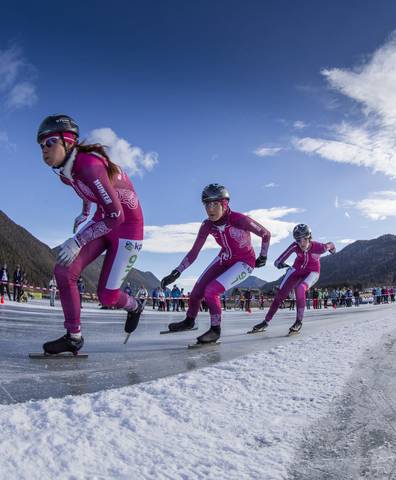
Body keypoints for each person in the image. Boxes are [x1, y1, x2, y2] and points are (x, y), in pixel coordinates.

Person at [37, 114, 144, 355]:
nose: (44, 150)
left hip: (127, 227)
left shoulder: (89, 165)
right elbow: (87, 192)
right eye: (41, 145)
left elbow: (117, 215)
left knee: (107, 297)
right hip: (104, 219)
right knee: (63, 270)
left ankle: (135, 306)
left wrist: (78, 240)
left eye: (50, 142)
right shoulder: (67, 173)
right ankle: (73, 336)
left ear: (68, 141)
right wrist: (84, 213)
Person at [161, 183, 270, 344]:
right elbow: (194, 252)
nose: (210, 209)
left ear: (225, 204)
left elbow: (266, 234)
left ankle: (215, 330)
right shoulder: (207, 225)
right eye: (206, 204)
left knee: (211, 291)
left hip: (244, 262)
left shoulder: (239, 219)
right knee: (197, 290)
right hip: (224, 258)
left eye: (215, 204)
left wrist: (263, 256)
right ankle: (189, 321)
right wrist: (176, 272)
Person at [250, 224, 335, 334]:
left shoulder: (320, 247)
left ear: (310, 237)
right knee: (280, 294)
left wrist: (333, 250)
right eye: (298, 240)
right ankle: (266, 321)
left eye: (304, 239)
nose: (301, 243)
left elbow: (331, 244)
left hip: (312, 272)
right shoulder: (295, 246)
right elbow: (278, 260)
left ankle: (298, 321)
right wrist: (279, 264)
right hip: (297, 270)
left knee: (299, 289)